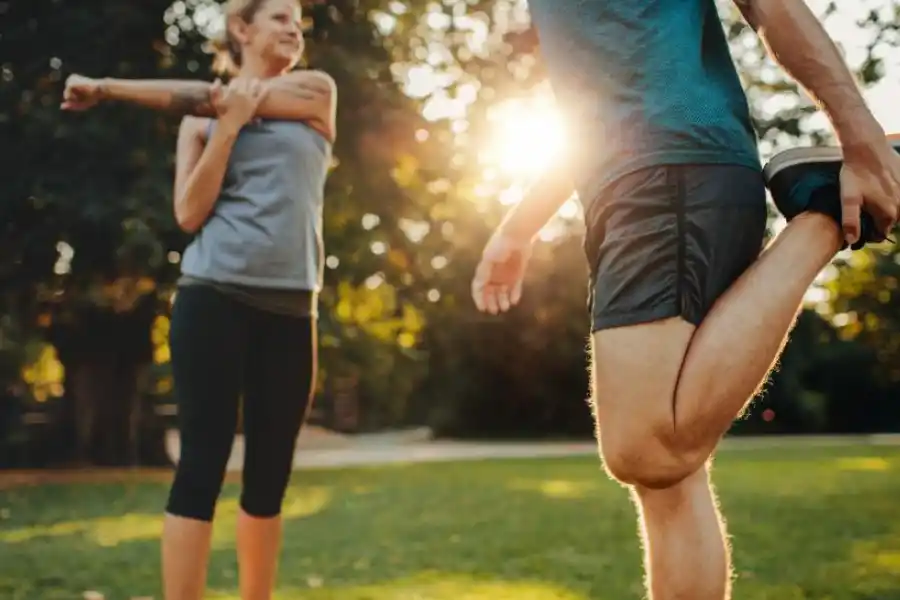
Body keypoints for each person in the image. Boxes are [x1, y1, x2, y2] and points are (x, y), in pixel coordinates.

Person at [471, 1, 899, 599]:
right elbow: (592, 107)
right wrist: (519, 228)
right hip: (643, 181)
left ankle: (823, 216)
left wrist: (862, 141)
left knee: (644, 448)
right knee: (669, 482)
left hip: (669, 171)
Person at [61, 1, 337, 598]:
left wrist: (110, 89)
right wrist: (228, 126)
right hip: (212, 297)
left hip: (292, 309)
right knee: (201, 465)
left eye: (297, 21)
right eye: (278, 18)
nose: (294, 28)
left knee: (269, 474)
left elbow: (208, 95)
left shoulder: (315, 93)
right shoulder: (200, 123)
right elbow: (189, 213)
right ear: (242, 28)